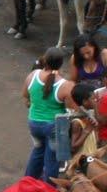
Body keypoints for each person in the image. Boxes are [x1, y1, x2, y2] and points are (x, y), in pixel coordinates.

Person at [24, 47, 77, 182]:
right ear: (61, 64)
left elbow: (26, 97)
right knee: (51, 161)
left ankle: (27, 183)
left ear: (45, 60)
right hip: (53, 127)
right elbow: (72, 110)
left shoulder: (33, 75)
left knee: (37, 153)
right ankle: (48, 189)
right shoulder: (65, 85)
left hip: (34, 123)